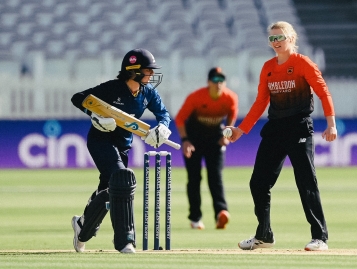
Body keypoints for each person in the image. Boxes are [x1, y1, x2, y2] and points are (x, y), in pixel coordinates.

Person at [227, 21, 337, 251]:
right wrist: (241, 129)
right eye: (272, 39)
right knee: (258, 183)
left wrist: (331, 124)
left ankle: (320, 237)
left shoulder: (302, 63)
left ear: (292, 39)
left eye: (280, 37)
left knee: (306, 181)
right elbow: (260, 103)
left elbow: (322, 92)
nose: (276, 42)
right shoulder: (268, 67)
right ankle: (264, 235)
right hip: (275, 129)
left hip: (298, 127)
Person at [70, 48, 172, 253]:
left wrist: (162, 127)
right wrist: (96, 116)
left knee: (110, 191)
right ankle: (125, 240)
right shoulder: (111, 88)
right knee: (122, 178)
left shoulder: (148, 92)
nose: (151, 75)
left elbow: (164, 114)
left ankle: (83, 227)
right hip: (100, 140)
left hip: (123, 145)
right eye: (147, 70)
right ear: (133, 71)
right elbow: (78, 98)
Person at [175, 67, 239, 230]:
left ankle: (221, 213)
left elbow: (232, 116)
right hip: (194, 139)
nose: (218, 84)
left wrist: (226, 135)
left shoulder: (230, 98)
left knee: (215, 177)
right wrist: (185, 140)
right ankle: (195, 218)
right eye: (215, 80)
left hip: (215, 139)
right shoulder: (196, 97)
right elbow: (180, 118)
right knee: (194, 179)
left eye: (221, 80)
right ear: (208, 82)